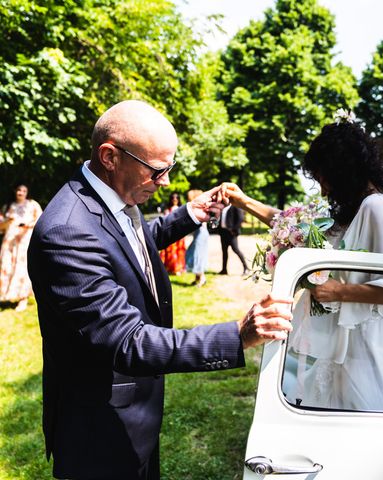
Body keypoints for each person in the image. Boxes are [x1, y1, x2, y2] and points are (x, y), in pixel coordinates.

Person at [27, 100, 293, 480]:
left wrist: (191, 214)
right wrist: (236, 335)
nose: (166, 181)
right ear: (110, 157)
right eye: (157, 170)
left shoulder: (112, 196)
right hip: (99, 431)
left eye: (170, 167)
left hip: (133, 415)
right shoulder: (66, 231)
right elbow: (127, 342)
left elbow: (129, 247)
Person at [219, 112, 383, 413]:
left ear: (342, 171)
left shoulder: (377, 208)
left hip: (375, 346)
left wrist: (339, 292)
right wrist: (244, 202)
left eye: (324, 178)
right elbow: (293, 227)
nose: (323, 189)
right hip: (346, 342)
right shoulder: (354, 209)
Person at [0, 184, 42, 311]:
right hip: (10, 242)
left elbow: (41, 221)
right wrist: (7, 222)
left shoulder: (32, 205)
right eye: (19, 190)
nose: (21, 193)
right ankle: (7, 295)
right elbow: (1, 227)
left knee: (22, 268)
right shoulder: (8, 206)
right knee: (6, 267)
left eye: (24, 190)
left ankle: (23, 299)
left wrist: (28, 225)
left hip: (25, 241)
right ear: (14, 191)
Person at [185, 189, 209, 286]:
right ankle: (197, 278)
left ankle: (202, 278)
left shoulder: (200, 208)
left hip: (201, 233)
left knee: (198, 254)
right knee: (194, 253)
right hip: (199, 233)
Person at [158, 191, 186, 275]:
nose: (175, 199)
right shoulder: (167, 210)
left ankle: (178, 268)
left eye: (176, 198)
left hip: (180, 232)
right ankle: (170, 268)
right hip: (170, 232)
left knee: (179, 251)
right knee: (170, 251)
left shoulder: (181, 208)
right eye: (173, 198)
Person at [218, 204, 248, 275]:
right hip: (223, 232)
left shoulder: (235, 206)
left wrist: (234, 229)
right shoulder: (222, 207)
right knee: (224, 251)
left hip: (231, 233)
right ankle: (224, 270)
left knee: (236, 250)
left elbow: (240, 218)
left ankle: (246, 268)